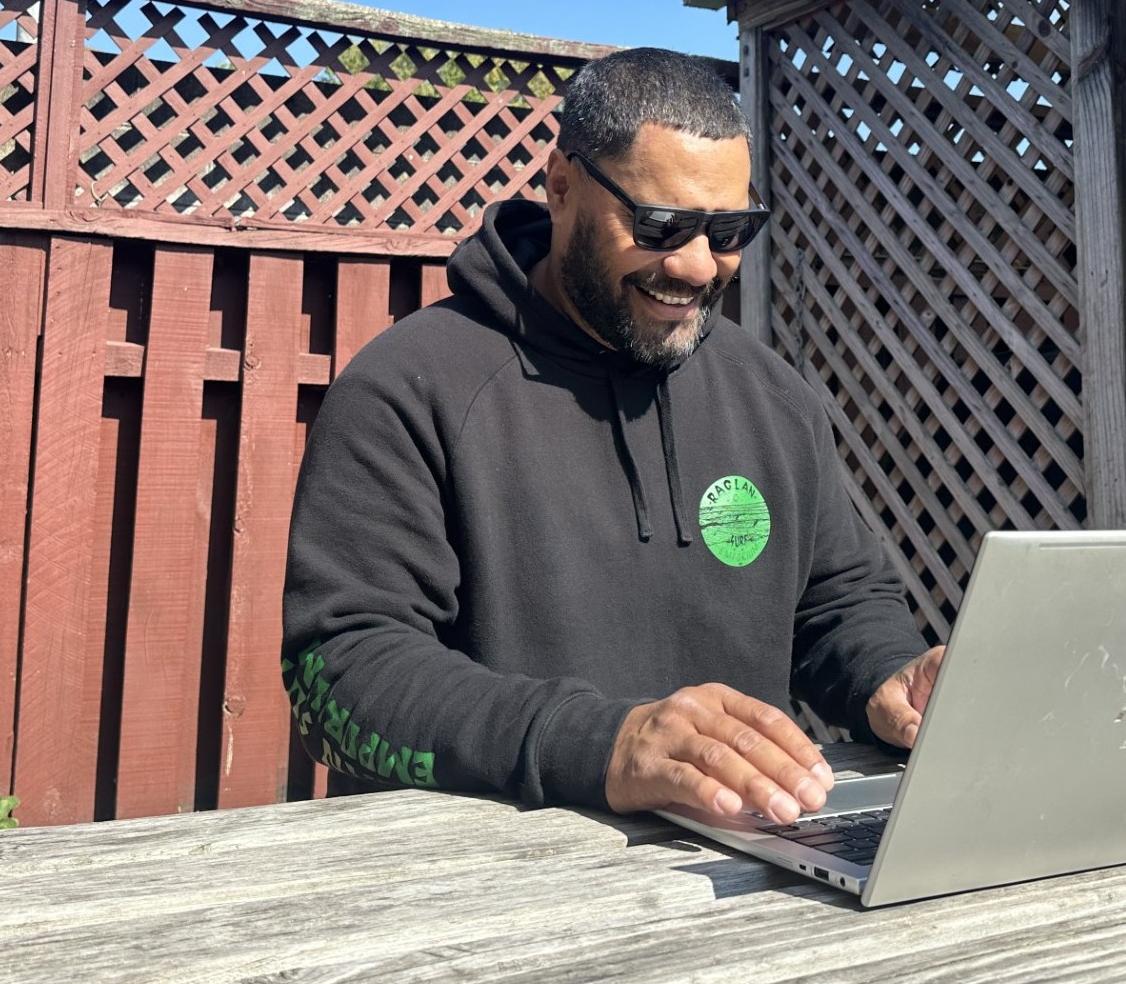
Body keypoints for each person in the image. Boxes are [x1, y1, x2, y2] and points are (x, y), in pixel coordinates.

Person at [282, 47, 943, 826]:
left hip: (754, 873)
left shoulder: (774, 399)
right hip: (475, 898)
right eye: (659, 224)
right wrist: (603, 745)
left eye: (729, 230)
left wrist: (888, 677)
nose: (698, 267)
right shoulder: (410, 387)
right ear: (561, 187)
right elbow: (342, 673)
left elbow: (837, 601)